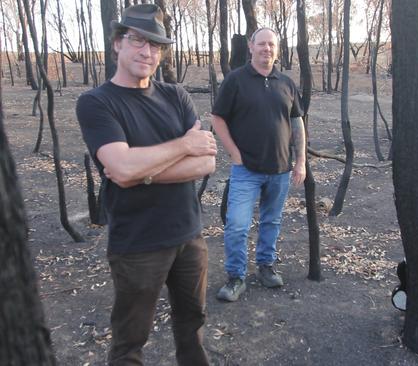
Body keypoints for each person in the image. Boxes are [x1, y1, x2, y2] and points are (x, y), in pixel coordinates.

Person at [75, 4, 217, 365]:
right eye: (137, 40)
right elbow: (121, 168)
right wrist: (183, 146)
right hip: (137, 245)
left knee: (193, 324)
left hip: (189, 235)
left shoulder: (176, 96)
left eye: (155, 45)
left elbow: (207, 161)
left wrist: (143, 170)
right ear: (117, 45)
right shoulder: (96, 102)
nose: (147, 52)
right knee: (130, 340)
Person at [211, 27, 306, 302]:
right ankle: (236, 277)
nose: (267, 49)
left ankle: (266, 267)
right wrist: (234, 154)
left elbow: (297, 121)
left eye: (271, 45)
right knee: (238, 225)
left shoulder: (286, 83)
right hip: (246, 171)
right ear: (251, 47)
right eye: (262, 44)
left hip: (280, 170)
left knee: (271, 221)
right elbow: (218, 119)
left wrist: (300, 162)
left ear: (277, 49)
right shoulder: (236, 80)